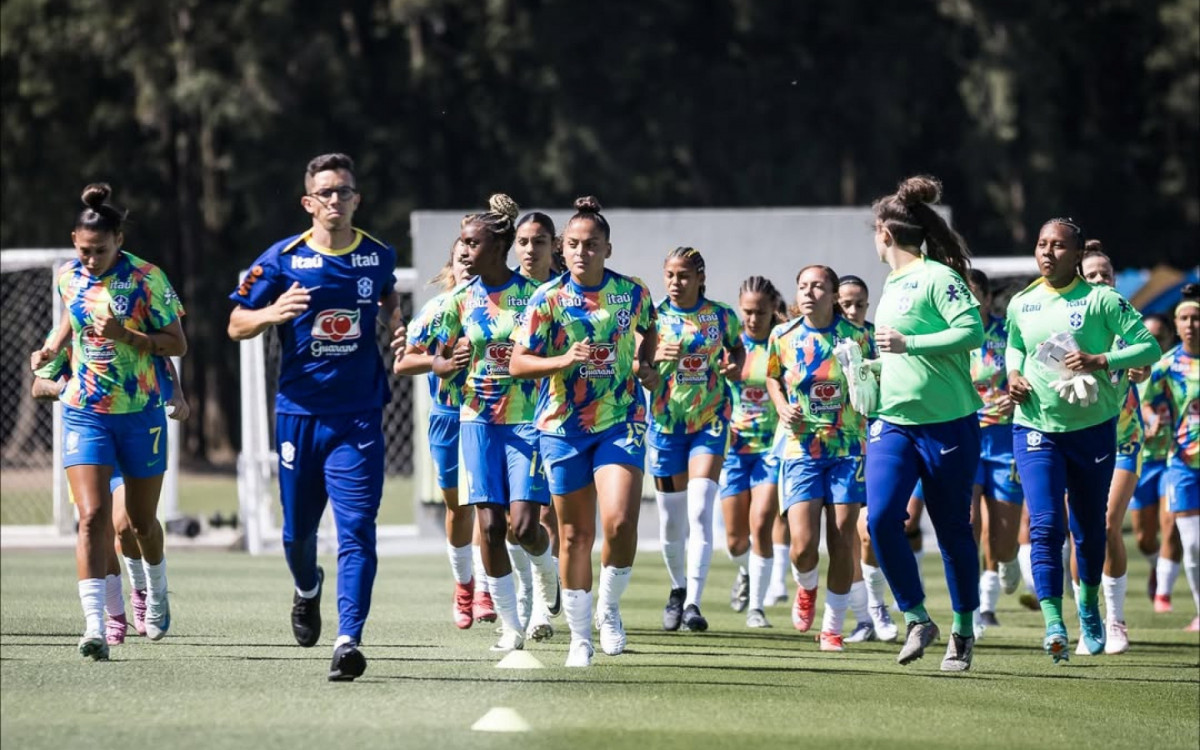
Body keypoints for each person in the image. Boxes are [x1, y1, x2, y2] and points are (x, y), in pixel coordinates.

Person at [227, 153, 402, 681]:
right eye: (325, 192)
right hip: (298, 415)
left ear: (357, 199)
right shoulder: (282, 258)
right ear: (308, 202)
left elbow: (389, 293)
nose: (335, 200)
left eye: (343, 191)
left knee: (357, 531)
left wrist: (397, 322)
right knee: (296, 533)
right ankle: (307, 589)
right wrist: (269, 314)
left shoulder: (377, 255)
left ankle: (349, 639)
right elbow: (235, 323)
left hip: (359, 418)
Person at [30, 183, 187, 660]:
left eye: (99, 251)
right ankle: (96, 625)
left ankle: (156, 593)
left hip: (140, 414)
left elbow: (176, 343)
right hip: (85, 412)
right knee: (92, 518)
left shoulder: (147, 278)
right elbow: (73, 316)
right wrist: (53, 348)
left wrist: (126, 335)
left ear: (119, 238)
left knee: (138, 523)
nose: (90, 260)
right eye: (82, 251)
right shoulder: (68, 276)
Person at [510, 196, 659, 667]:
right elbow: (517, 362)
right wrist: (562, 360)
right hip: (561, 425)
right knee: (574, 536)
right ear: (562, 248)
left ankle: (609, 611)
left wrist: (646, 365)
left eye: (591, 245)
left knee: (618, 521)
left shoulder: (632, 294)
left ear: (607, 249)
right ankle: (580, 636)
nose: (581, 252)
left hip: (621, 419)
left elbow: (649, 331)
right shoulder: (547, 298)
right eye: (572, 245)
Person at [1006, 217, 1160, 662]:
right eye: (1041, 244)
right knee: (1045, 525)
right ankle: (1054, 622)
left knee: (1090, 528)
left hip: (1093, 428)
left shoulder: (1101, 300)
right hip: (1035, 426)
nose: (1047, 252)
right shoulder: (1023, 302)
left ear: (1077, 255)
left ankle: (1088, 609)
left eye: (1057, 246)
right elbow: (1015, 343)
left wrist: (1100, 358)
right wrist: (1013, 373)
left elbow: (1147, 347)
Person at [430, 195, 561, 651]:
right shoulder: (461, 300)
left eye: (472, 243)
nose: (464, 251)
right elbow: (431, 356)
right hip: (477, 422)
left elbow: (562, 344)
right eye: (462, 243)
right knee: (489, 528)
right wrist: (446, 363)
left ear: (497, 246)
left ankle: (549, 577)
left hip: (529, 422)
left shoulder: (538, 297)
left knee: (524, 527)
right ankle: (510, 626)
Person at [864, 175, 984, 672]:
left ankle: (963, 629)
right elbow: (898, 352)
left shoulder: (939, 277)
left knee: (953, 529)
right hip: (895, 423)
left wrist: (907, 346)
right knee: (878, 520)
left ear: (885, 234)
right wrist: (869, 371)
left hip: (948, 424)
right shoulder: (891, 283)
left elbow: (972, 330)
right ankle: (917, 617)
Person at [32, 335, 190, 646]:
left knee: (129, 524)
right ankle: (111, 617)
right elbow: (39, 385)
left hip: (134, 429)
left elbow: (164, 358)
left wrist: (179, 396)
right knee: (95, 525)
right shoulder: (71, 331)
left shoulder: (133, 320)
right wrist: (63, 387)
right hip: (89, 433)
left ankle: (145, 589)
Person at [767, 265, 875, 652]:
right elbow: (772, 378)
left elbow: (878, 378)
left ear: (832, 294)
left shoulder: (859, 335)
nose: (809, 292)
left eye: (818, 286)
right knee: (803, 544)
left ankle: (832, 628)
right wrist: (781, 405)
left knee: (844, 536)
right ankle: (806, 584)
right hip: (801, 447)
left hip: (847, 445)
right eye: (802, 286)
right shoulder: (782, 335)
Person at [394, 242, 492, 629]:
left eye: (475, 256)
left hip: (490, 415)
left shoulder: (502, 307)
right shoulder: (437, 309)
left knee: (487, 503)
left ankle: (485, 587)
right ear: (450, 265)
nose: (468, 262)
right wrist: (440, 362)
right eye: (460, 257)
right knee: (458, 507)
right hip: (448, 415)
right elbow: (404, 361)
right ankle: (463, 584)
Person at [649, 247, 745, 633]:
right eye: (670, 275)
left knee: (700, 510)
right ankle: (677, 588)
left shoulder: (721, 316)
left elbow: (736, 348)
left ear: (700, 277)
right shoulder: (652, 316)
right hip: (665, 424)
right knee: (672, 522)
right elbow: (635, 362)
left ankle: (693, 604)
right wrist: (654, 355)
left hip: (710, 422)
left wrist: (734, 363)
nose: (676, 283)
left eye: (684, 275)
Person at [1073, 243, 1150, 654]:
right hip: (1077, 436)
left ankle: (1114, 621)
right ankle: (1086, 622)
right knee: (1080, 532)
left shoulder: (1125, 322)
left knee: (1104, 524)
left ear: (1115, 281)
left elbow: (1143, 361)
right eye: (1093, 275)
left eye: (1106, 275)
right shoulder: (1070, 325)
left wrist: (1138, 367)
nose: (1100, 281)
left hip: (1123, 440)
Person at [838, 275, 899, 642]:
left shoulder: (879, 339)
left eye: (860, 303)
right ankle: (864, 616)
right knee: (845, 534)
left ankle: (877, 606)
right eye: (846, 303)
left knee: (870, 529)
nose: (853, 310)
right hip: (836, 446)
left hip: (874, 441)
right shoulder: (829, 337)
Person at [721, 277, 785, 628]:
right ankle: (745, 572)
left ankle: (756, 607)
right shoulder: (731, 346)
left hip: (769, 449)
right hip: (733, 449)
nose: (753, 318)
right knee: (734, 538)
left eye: (760, 312)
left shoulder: (781, 343)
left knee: (761, 522)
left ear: (772, 310)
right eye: (747, 311)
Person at [510, 211, 565, 618]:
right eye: (523, 241)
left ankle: (544, 605)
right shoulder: (502, 289)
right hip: (503, 419)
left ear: (554, 246)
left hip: (559, 415)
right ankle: (519, 599)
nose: (531, 249)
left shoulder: (568, 291)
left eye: (540, 241)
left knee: (547, 515)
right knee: (509, 524)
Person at [966, 268, 1024, 638]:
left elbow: (1035, 374)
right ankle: (970, 610)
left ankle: (1008, 559)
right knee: (966, 522)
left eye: (975, 297)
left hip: (1006, 440)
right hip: (965, 437)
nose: (969, 304)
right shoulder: (952, 337)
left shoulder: (1010, 333)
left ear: (988, 298)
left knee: (1001, 540)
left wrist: (1019, 394)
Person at [1140, 284, 1200, 631]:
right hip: (1183, 464)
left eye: (1196, 318)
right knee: (1191, 545)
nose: (1191, 324)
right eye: (1185, 318)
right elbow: (1146, 400)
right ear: (1176, 325)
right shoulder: (1166, 365)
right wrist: (1150, 419)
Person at [1132, 314, 1179, 605]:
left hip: (1174, 457)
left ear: (1170, 338)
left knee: (1170, 523)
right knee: (1143, 537)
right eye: (1148, 338)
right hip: (1141, 460)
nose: (1154, 343)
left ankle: (1163, 594)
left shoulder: (1178, 365)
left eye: (1159, 338)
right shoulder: (1131, 367)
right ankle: (1155, 565)